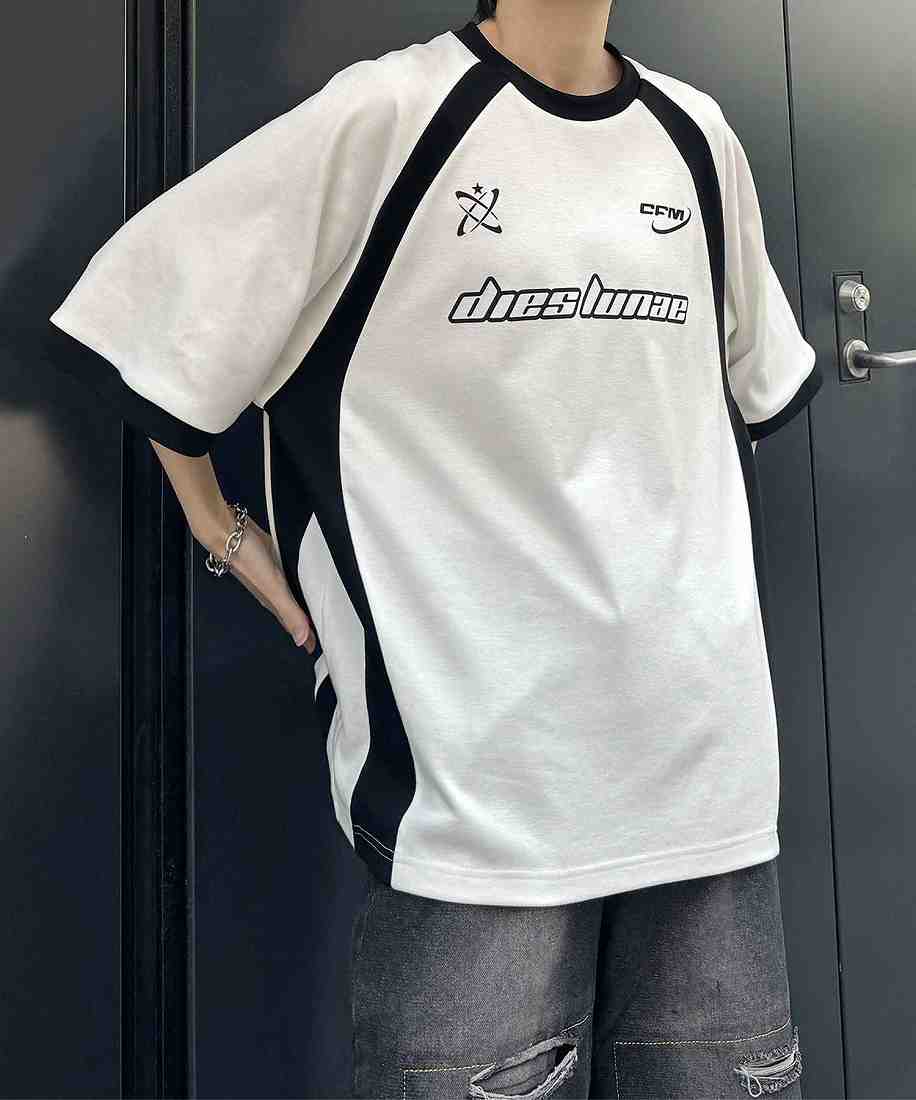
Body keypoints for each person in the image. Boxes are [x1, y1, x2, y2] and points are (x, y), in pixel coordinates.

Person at [49, 0, 821, 1094]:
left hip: (710, 790)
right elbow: (150, 308)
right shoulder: (388, 117)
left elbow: (751, 381)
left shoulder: (697, 136)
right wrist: (220, 525)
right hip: (478, 804)